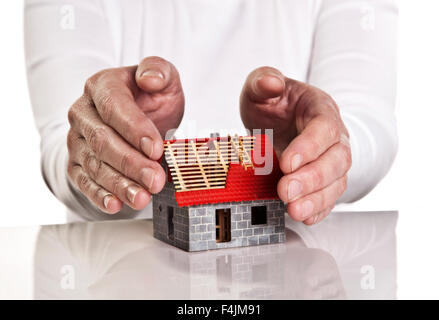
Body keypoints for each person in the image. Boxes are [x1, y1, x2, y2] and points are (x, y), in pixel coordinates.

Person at [24, 0, 398, 225]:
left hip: (303, 275)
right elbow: (63, 143)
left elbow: (367, 119)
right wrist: (108, 154)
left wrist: (321, 151)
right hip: (114, 277)